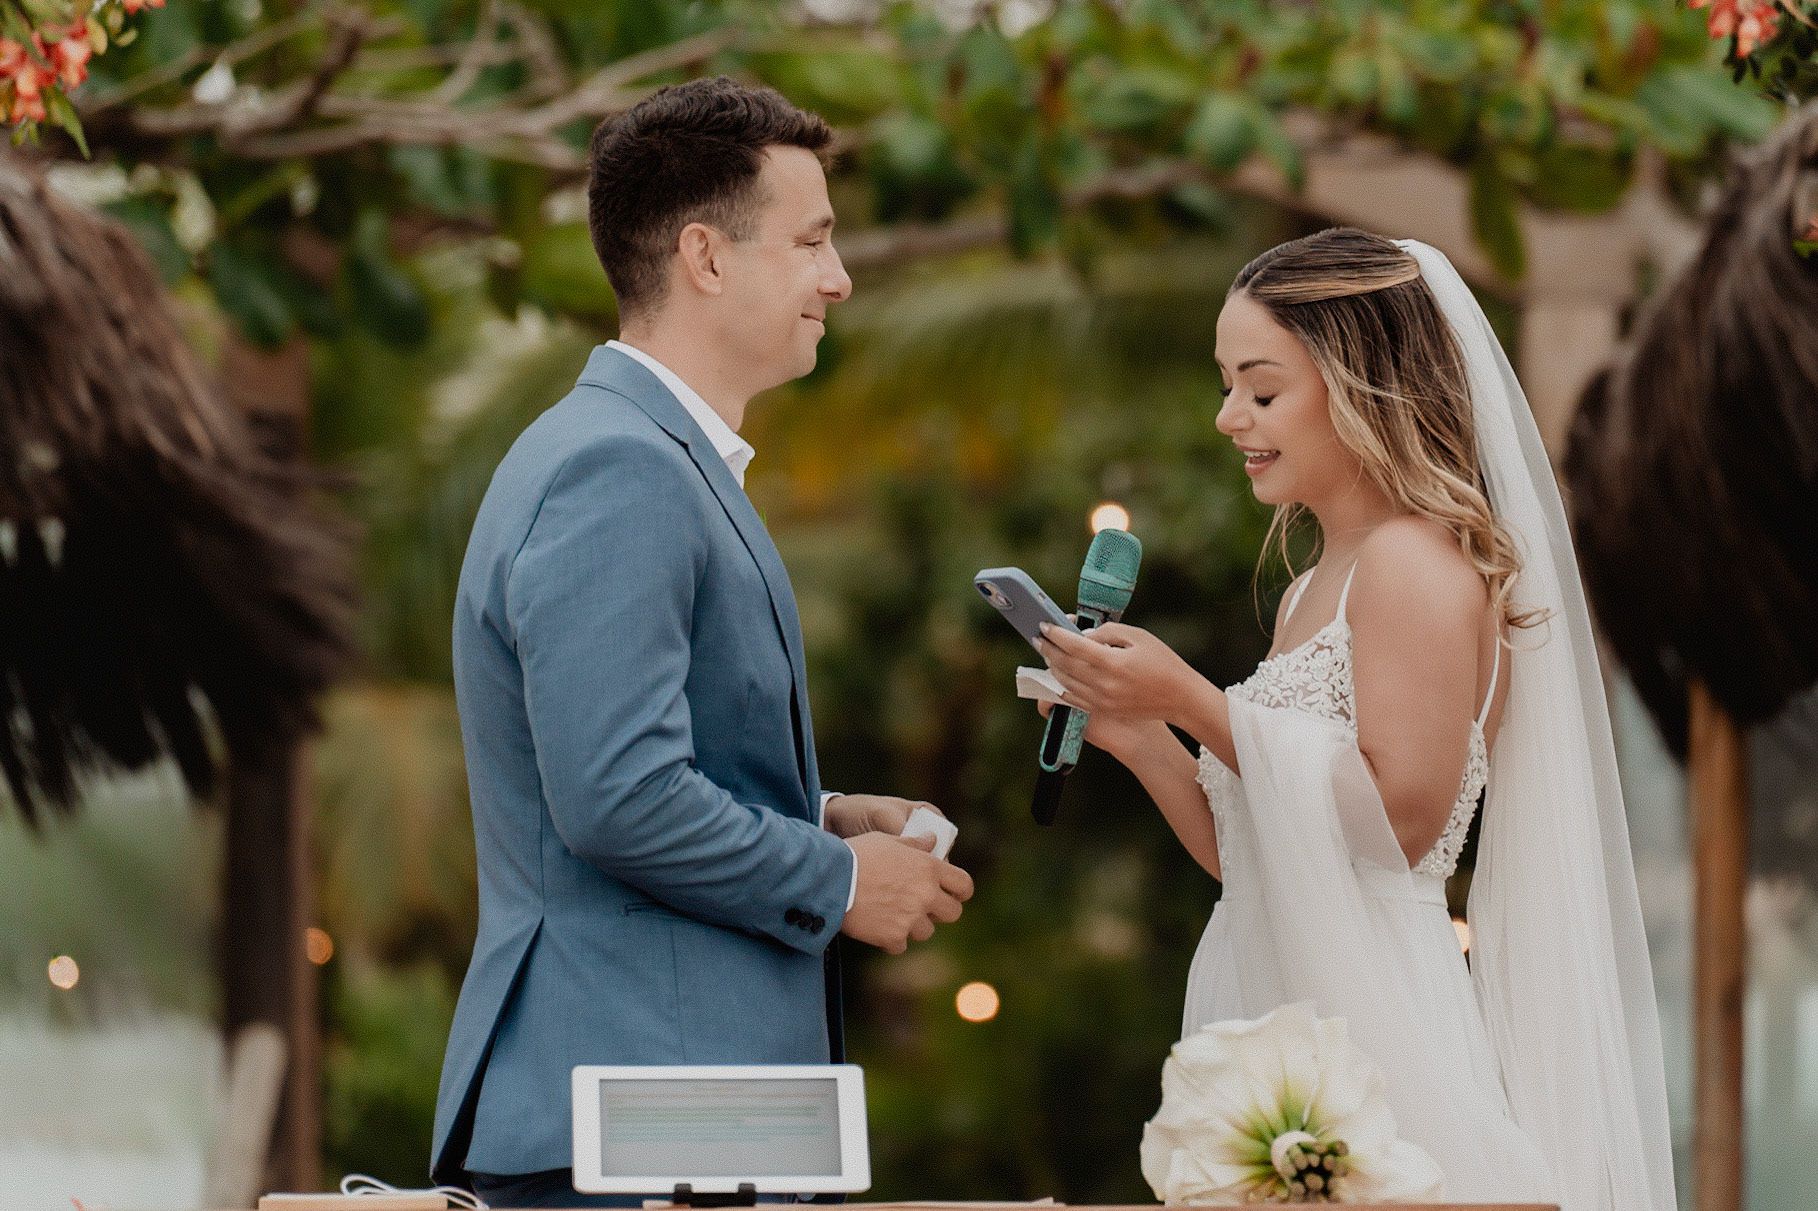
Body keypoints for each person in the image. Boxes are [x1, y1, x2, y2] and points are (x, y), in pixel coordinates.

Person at [1035, 228, 1676, 1210]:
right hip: (1279, 1013)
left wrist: (1195, 700)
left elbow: (1402, 814)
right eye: (1226, 387)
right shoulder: (1308, 591)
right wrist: (1135, 728)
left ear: (1362, 385)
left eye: (1260, 389)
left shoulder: (1415, 564)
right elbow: (1251, 843)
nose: (1228, 418)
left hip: (1379, 1027)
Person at [432, 78, 974, 1206]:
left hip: (679, 1119)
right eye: (813, 239)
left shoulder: (643, 455)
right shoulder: (617, 468)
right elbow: (616, 795)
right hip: (635, 1117)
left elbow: (637, 764)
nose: (841, 277)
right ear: (706, 257)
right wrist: (836, 879)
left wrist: (827, 812)